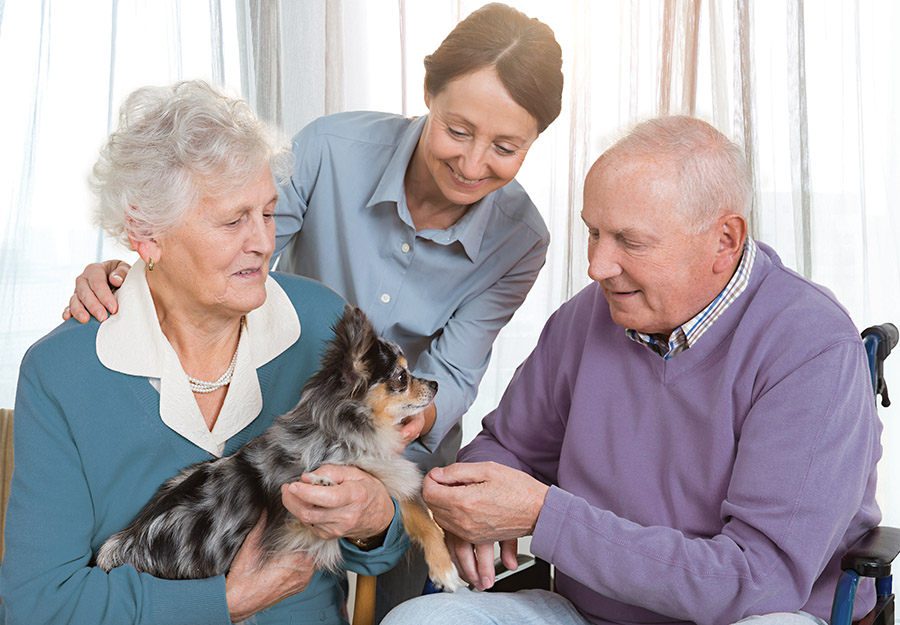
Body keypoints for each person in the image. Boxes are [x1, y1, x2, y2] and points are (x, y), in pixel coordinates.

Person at [60, 3, 565, 618]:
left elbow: (455, 374)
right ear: (428, 92)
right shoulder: (332, 146)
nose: (474, 162)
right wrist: (141, 273)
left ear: (536, 141)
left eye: (507, 147)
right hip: (281, 409)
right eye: (458, 130)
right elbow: (233, 253)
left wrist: (398, 428)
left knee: (398, 599)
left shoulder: (521, 238)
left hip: (397, 437)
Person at [382, 116, 883, 625]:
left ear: (724, 240)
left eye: (630, 241)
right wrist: (478, 499)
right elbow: (507, 445)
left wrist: (543, 515)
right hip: (589, 612)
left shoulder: (810, 346)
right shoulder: (587, 316)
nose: (598, 265)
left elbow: (756, 581)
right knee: (418, 619)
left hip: (754, 614)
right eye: (593, 233)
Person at [0, 80, 412, 625]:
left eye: (267, 213)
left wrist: (375, 516)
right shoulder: (63, 373)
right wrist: (224, 603)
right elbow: (37, 605)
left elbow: (383, 548)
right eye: (232, 220)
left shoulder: (322, 324)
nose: (264, 242)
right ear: (146, 235)